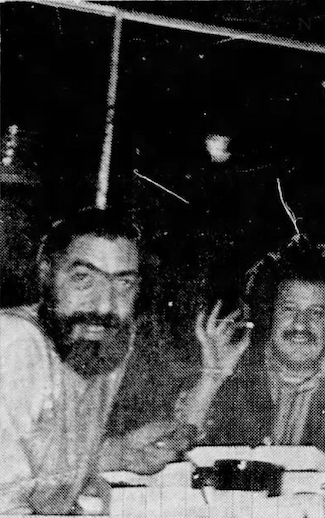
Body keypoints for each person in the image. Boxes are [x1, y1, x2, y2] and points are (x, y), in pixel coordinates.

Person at [0, 208, 192, 515]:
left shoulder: (101, 343)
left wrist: (121, 453)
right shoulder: (14, 343)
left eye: (124, 284)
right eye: (83, 279)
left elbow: (41, 466)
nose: (104, 304)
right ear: (46, 273)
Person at [179, 235, 325, 479]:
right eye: (288, 309)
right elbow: (176, 452)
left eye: (316, 313)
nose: (300, 324)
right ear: (269, 313)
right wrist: (211, 379)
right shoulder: (229, 379)